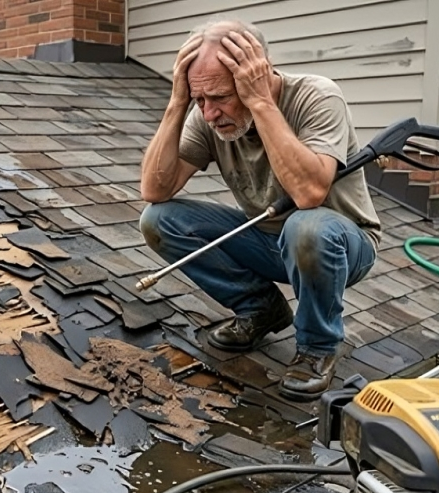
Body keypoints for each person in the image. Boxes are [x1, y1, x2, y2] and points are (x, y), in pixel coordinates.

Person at [138, 17, 381, 402]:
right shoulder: (204, 113)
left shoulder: (317, 97)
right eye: (200, 99)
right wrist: (177, 103)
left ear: (259, 74)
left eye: (219, 97)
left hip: (339, 245)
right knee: (159, 220)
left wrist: (260, 102)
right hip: (269, 240)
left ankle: (317, 346)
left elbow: (309, 193)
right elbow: (154, 188)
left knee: (307, 227)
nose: (210, 113)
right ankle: (261, 309)